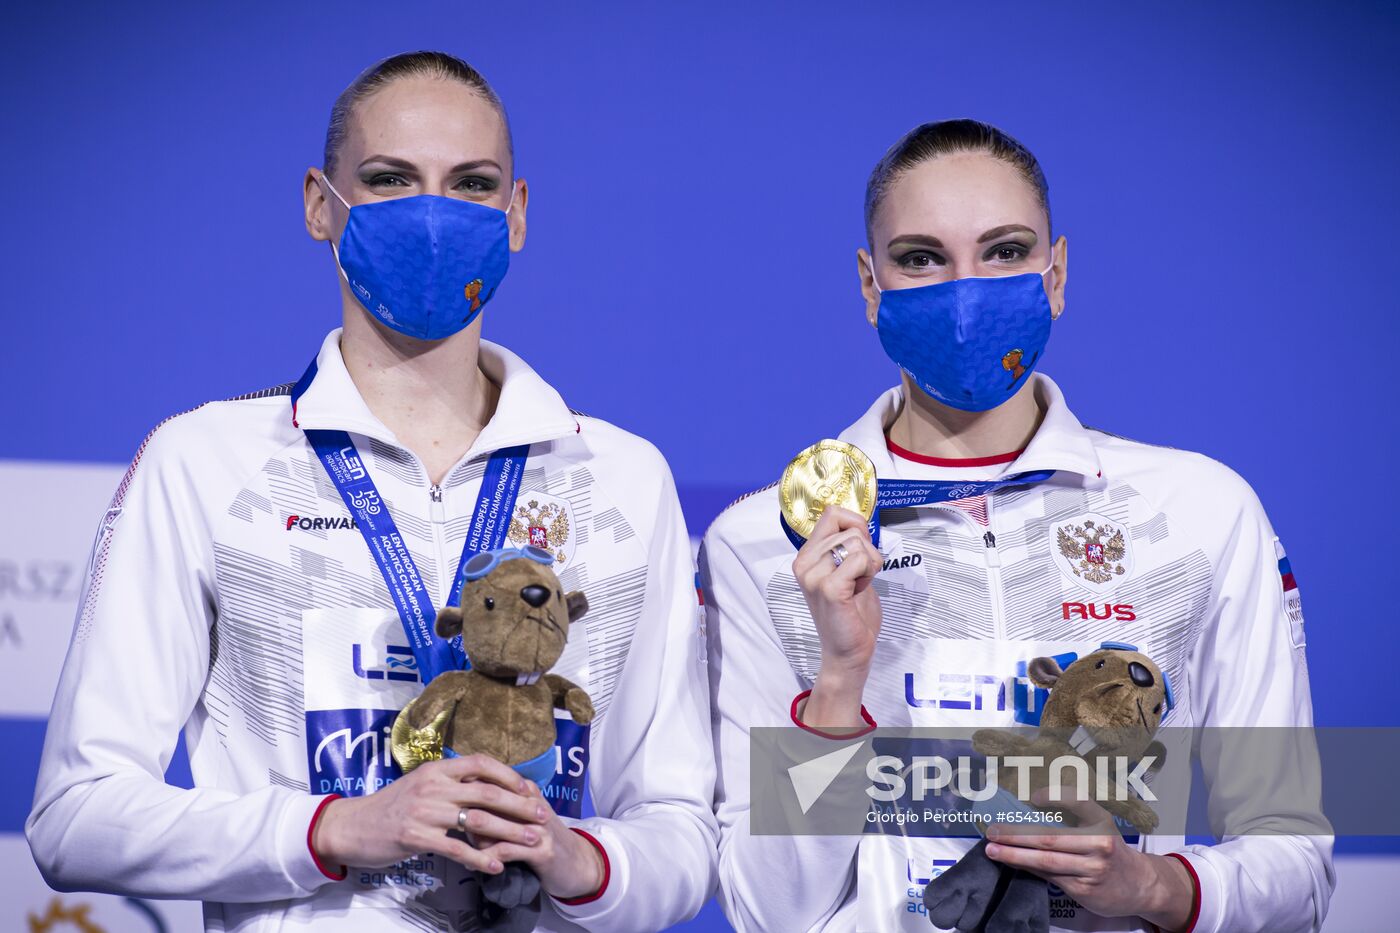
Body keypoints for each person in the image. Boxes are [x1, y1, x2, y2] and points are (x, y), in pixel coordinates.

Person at [27, 50, 717, 932]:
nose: (432, 217)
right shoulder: (202, 461)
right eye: (391, 180)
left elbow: (682, 835)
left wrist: (576, 856)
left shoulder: (623, 477)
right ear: (321, 205)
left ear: (516, 216)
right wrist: (339, 827)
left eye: (471, 184)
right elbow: (76, 815)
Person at [701, 119, 1333, 932]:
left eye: (1004, 251)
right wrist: (839, 682)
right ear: (870, 285)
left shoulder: (1203, 512)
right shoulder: (762, 544)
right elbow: (766, 913)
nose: (966, 291)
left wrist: (1151, 885)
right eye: (921, 258)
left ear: (1056, 274)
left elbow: (1296, 864)